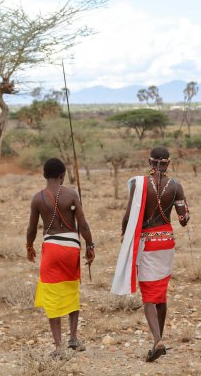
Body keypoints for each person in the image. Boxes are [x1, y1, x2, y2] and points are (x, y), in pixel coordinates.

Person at [111, 146, 190, 362]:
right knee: (161, 293)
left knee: (148, 296)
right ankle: (159, 338)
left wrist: (124, 234)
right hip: (166, 242)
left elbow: (128, 216)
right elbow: (183, 219)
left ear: (150, 162)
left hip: (148, 243)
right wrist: (184, 213)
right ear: (168, 163)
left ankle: (158, 340)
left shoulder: (139, 184)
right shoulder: (176, 186)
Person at [26, 158, 95, 357]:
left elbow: (31, 229)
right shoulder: (72, 194)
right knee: (72, 290)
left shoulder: (37, 198)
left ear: (44, 175)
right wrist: (90, 245)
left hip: (51, 249)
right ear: (63, 175)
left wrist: (29, 246)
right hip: (71, 248)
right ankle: (73, 338)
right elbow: (83, 225)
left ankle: (58, 347)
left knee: (51, 295)